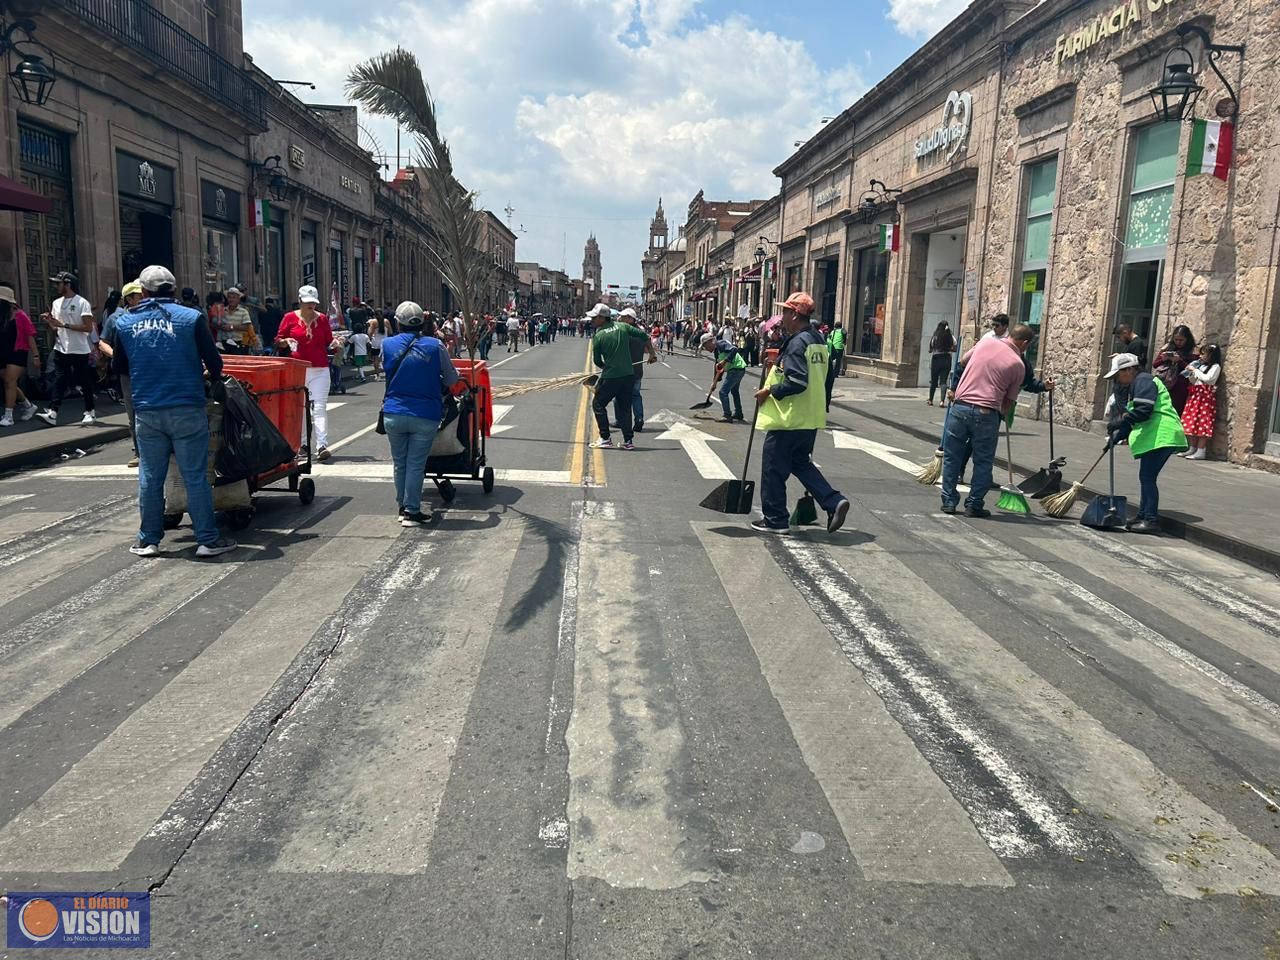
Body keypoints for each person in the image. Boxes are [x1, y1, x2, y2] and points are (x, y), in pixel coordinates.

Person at [112, 265, 236, 558]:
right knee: (194, 476)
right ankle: (206, 539)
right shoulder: (191, 318)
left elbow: (120, 368)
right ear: (174, 289)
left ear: (142, 292)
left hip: (147, 410)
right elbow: (215, 364)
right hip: (187, 407)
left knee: (150, 477)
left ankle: (148, 540)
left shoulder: (125, 323)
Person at [750, 293, 849, 534]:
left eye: (784, 312)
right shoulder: (817, 340)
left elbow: (796, 381)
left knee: (773, 468)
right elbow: (824, 378)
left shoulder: (796, 343)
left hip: (789, 418)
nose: (781, 317)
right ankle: (833, 501)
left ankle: (775, 519)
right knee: (800, 463)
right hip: (810, 415)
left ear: (795, 314)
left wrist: (770, 390)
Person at [381, 301, 462, 527]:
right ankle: (412, 511)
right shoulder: (435, 346)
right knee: (416, 463)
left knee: (400, 463)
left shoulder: (387, 345)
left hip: (394, 412)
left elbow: (384, 369)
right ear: (423, 322)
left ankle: (402, 506)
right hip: (425, 414)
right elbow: (451, 379)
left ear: (397, 322)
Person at [940, 323, 1034, 518]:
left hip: (960, 408)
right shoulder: (1018, 365)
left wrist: (955, 388)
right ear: (1024, 344)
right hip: (986, 412)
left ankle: (949, 501)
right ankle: (974, 504)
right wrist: (1003, 416)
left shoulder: (984, 343)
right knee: (983, 461)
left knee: (952, 457)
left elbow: (962, 364)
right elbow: (1008, 402)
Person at [1103, 352, 1188, 533]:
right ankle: (1143, 515)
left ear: (1129, 370)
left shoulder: (1143, 381)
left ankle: (1151, 520)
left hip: (1162, 434)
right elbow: (1132, 418)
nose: (1118, 379)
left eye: (1118, 374)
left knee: (1148, 477)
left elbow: (1143, 411)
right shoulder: (1138, 384)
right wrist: (1116, 437)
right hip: (1157, 435)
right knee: (1146, 476)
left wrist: (1117, 422)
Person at [276, 285, 335, 461]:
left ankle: (322, 445)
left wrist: (336, 344)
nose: (311, 306)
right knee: (299, 409)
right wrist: (285, 341)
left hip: (320, 369)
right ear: (300, 301)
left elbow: (328, 340)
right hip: (297, 369)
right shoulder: (289, 318)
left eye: (313, 303)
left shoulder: (323, 319)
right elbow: (278, 339)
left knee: (319, 407)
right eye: (308, 303)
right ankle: (301, 445)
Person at [588, 302, 656, 450]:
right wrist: (652, 353)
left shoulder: (598, 336)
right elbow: (644, 335)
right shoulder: (623, 327)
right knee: (625, 407)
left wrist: (605, 367)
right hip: (628, 375)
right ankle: (628, 441)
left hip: (611, 376)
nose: (592, 321)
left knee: (598, 404)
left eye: (594, 318)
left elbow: (597, 360)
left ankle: (605, 438)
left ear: (602, 318)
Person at [36, 271, 97, 426]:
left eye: (59, 283)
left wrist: (65, 325)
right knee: (60, 379)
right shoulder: (56, 303)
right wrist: (50, 321)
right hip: (61, 347)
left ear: (68, 284)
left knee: (83, 381)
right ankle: (53, 412)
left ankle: (90, 411)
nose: (56, 286)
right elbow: (56, 328)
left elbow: (88, 328)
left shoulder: (82, 303)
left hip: (79, 349)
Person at [98, 279, 144, 465]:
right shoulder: (116, 319)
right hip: (127, 372)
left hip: (148, 369)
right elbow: (102, 342)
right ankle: (139, 452)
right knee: (132, 412)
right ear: (130, 299)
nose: (144, 299)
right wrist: (115, 356)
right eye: (140, 296)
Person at [0, 284, 39, 427]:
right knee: (8, 381)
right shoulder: (2, 316)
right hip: (3, 352)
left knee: (9, 382)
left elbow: (30, 337)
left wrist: (35, 356)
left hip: (18, 352)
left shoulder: (20, 316)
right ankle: (28, 405)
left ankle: (8, 416)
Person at [1179, 343, 1221, 461]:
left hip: (1205, 397)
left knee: (1203, 423)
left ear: (1211, 355)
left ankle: (1201, 450)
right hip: (1196, 394)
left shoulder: (1215, 367)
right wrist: (1191, 373)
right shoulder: (1201, 366)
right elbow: (1195, 380)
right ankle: (1192, 447)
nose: (1200, 356)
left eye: (1203, 354)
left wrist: (1195, 370)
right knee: (1192, 421)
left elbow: (1209, 379)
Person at [611, 308, 650, 432]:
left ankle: (620, 420)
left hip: (624, 371)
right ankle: (639, 419)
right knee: (635, 396)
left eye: (623, 317)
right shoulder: (641, 332)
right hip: (637, 370)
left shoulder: (624, 333)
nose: (621, 319)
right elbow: (646, 349)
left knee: (617, 396)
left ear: (630, 319)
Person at [701, 331, 747, 422]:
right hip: (737, 369)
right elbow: (718, 367)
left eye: (705, 346)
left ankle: (727, 415)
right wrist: (714, 382)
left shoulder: (721, 344)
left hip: (736, 369)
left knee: (723, 392)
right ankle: (738, 413)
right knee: (734, 391)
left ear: (710, 342)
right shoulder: (716, 352)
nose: (705, 348)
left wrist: (725, 361)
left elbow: (734, 349)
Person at [1154, 324, 1197, 414]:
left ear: (1187, 340)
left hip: (1180, 387)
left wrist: (1179, 361)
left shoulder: (1193, 352)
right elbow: (1155, 364)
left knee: (1176, 411)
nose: (1178, 342)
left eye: (1181, 340)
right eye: (1176, 339)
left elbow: (1192, 370)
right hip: (1165, 384)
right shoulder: (1169, 348)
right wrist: (1163, 357)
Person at [927, 321, 956, 406]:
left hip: (936, 359)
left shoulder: (935, 336)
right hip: (946, 359)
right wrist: (948, 349)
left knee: (934, 381)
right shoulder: (951, 336)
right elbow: (955, 348)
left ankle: (930, 400)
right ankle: (942, 401)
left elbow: (930, 348)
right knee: (943, 381)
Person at [219, 287, 254, 353]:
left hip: (239, 344)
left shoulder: (244, 311)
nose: (231, 300)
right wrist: (221, 326)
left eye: (234, 297)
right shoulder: (222, 310)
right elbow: (216, 324)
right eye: (229, 297)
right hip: (224, 344)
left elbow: (247, 327)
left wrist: (232, 327)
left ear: (238, 299)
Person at [825, 321, 846, 411]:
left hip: (832, 346)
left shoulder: (833, 331)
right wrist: (844, 342)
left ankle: (834, 372)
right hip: (839, 347)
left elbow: (829, 338)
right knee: (838, 362)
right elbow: (845, 337)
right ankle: (836, 373)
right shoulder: (842, 331)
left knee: (833, 361)